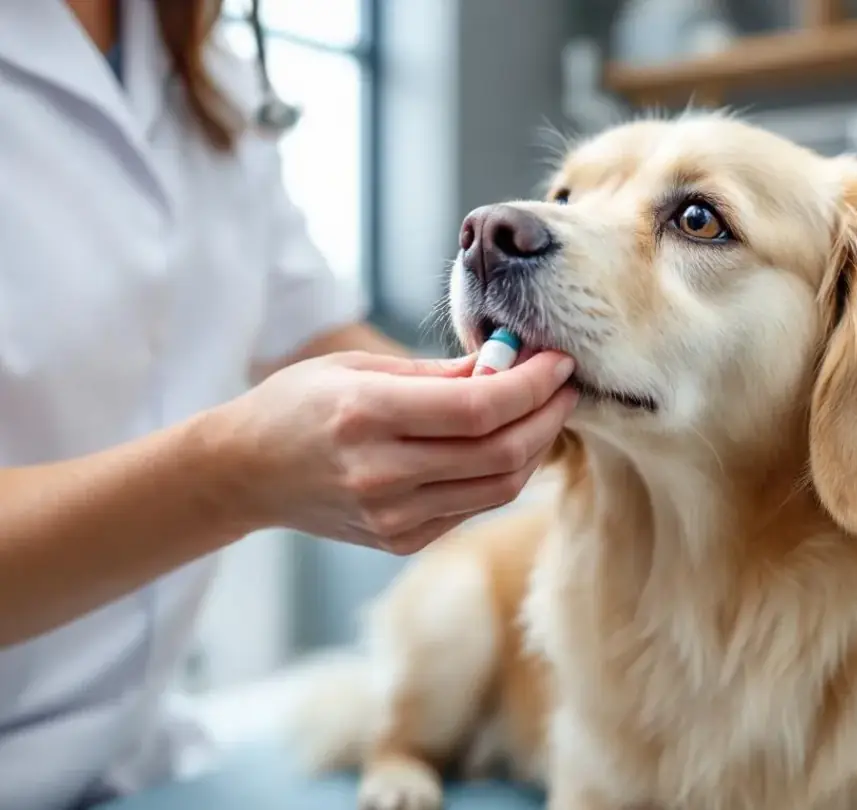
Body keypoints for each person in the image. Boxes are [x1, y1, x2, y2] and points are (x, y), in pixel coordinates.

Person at [0, 1, 578, 807]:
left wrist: (524, 414)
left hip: (139, 757)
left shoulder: (208, 66)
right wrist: (227, 477)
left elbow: (314, 327)